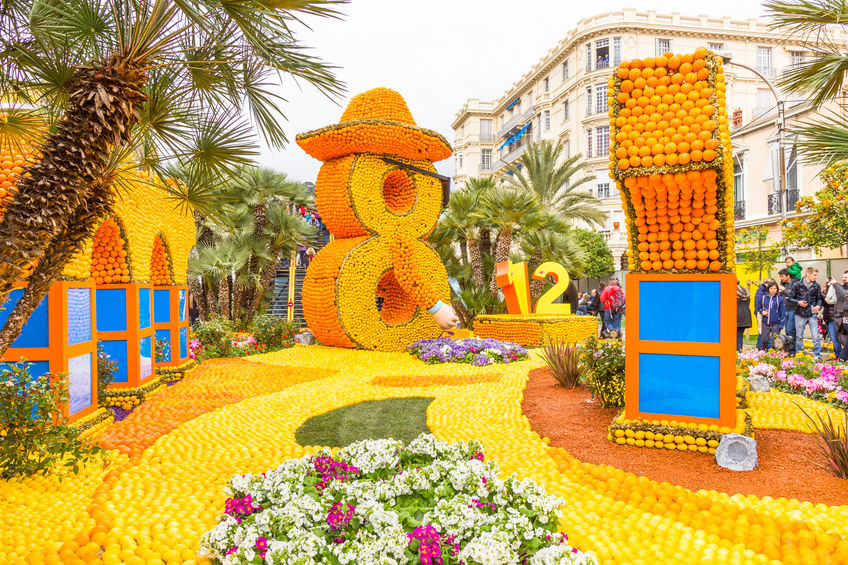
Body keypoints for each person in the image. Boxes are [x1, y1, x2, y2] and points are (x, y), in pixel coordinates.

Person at [788, 267, 824, 358]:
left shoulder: (816, 286)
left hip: (812, 314)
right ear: (808, 275)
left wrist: (818, 306)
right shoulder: (797, 285)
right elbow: (790, 298)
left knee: (816, 336)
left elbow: (820, 299)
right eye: (814, 275)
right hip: (799, 314)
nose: (816, 277)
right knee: (799, 336)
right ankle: (800, 354)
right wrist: (798, 302)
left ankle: (817, 355)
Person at [759, 281, 785, 350]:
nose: (773, 290)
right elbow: (759, 307)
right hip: (765, 322)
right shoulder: (764, 297)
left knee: (775, 340)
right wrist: (762, 311)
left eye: (774, 288)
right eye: (771, 288)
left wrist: (781, 324)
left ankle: (774, 355)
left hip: (775, 323)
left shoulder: (780, 299)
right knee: (764, 340)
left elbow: (782, 312)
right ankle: (764, 352)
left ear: (777, 290)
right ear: (768, 289)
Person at [778, 269, 798, 355]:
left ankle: (793, 351)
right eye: (780, 276)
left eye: (782, 276)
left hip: (792, 310)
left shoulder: (794, 283)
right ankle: (788, 350)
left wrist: (783, 289)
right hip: (784, 310)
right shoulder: (782, 284)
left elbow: (793, 294)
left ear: (788, 276)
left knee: (791, 331)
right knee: (787, 331)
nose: (781, 278)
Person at [753, 279, 772, 350]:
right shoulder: (762, 291)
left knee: (762, 329)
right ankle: (767, 346)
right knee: (763, 329)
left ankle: (760, 345)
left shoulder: (762, 290)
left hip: (762, 312)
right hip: (761, 313)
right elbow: (758, 303)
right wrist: (760, 311)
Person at [736, 279, 752, 352]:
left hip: (736, 315)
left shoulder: (732, 290)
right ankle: (739, 351)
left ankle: (735, 352)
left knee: (733, 335)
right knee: (740, 335)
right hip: (745, 315)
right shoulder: (745, 291)